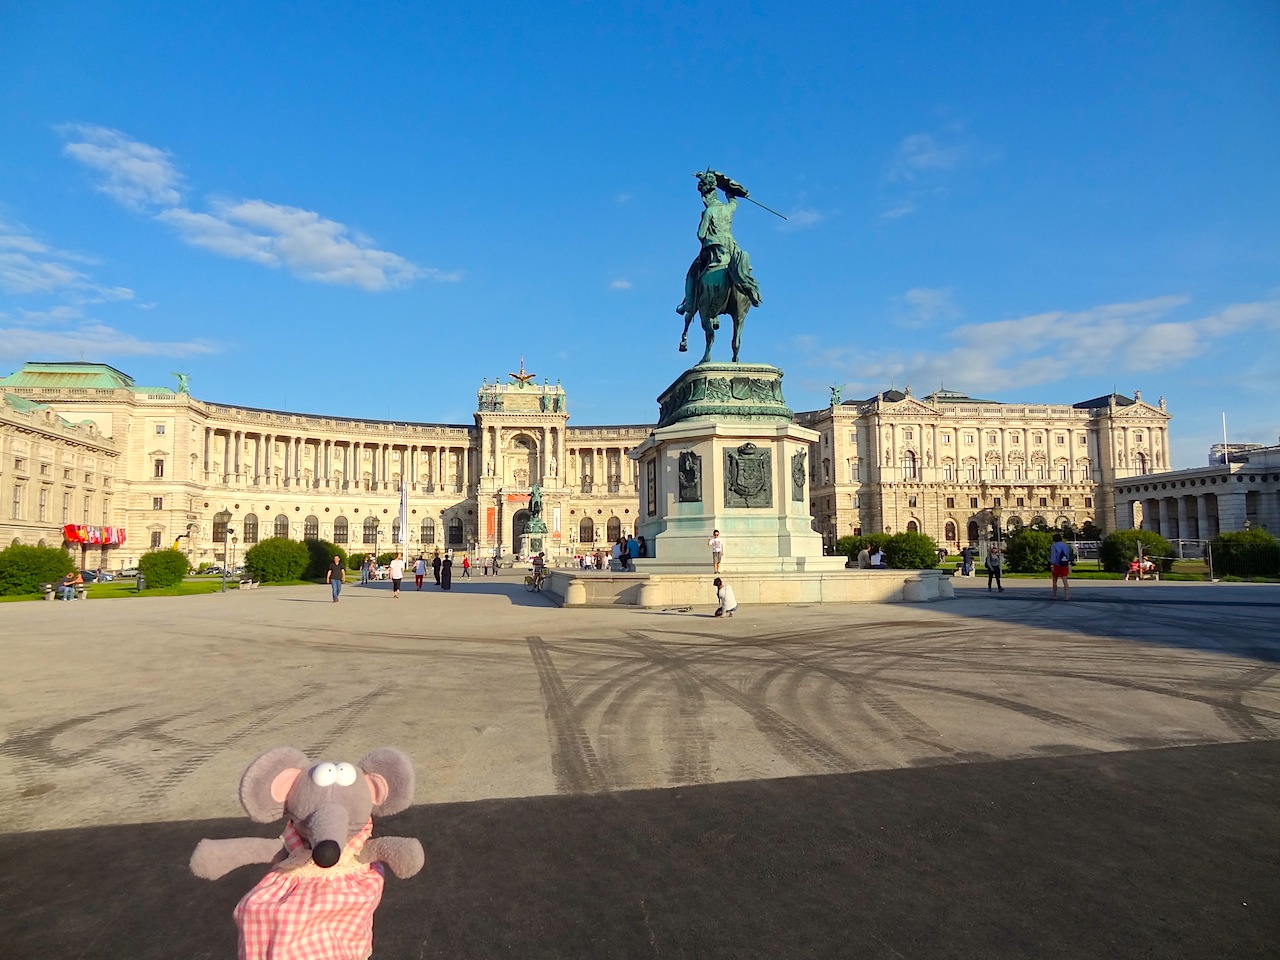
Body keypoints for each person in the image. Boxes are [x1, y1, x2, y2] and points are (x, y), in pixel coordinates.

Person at [1050, 532, 1072, 601]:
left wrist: (1052, 564)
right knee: (1065, 581)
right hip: (1064, 564)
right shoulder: (1065, 545)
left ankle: (1054, 595)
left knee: (1054, 581)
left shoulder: (1054, 546)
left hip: (1057, 565)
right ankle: (1067, 596)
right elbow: (1068, 555)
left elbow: (1053, 556)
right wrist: (1068, 562)